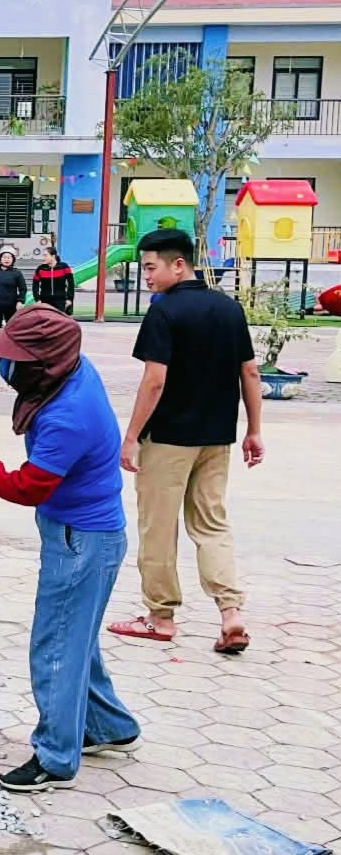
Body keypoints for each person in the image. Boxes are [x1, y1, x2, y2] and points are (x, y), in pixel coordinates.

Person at [0, 305, 141, 792]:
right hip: (85, 533)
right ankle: (110, 727)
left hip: (81, 541)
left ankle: (55, 757)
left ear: (42, 365)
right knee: (76, 637)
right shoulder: (69, 367)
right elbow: (15, 358)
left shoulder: (69, 415)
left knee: (57, 645)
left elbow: (30, 487)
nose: (9, 365)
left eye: (16, 357)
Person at [110, 228, 261, 655]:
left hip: (169, 439)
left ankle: (160, 617)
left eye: (150, 268)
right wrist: (253, 430)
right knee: (212, 524)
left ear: (179, 265)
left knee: (158, 527)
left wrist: (130, 437)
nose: (146, 277)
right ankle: (230, 613)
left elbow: (154, 381)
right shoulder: (229, 308)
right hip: (217, 438)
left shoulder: (164, 312)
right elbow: (250, 372)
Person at [33, 247, 76, 315]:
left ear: (53, 256)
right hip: (45, 301)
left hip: (60, 301)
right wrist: (37, 299)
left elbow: (71, 284)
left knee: (59, 320)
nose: (43, 258)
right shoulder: (40, 269)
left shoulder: (64, 267)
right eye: (43, 255)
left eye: (45, 255)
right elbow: (35, 285)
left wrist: (69, 299)